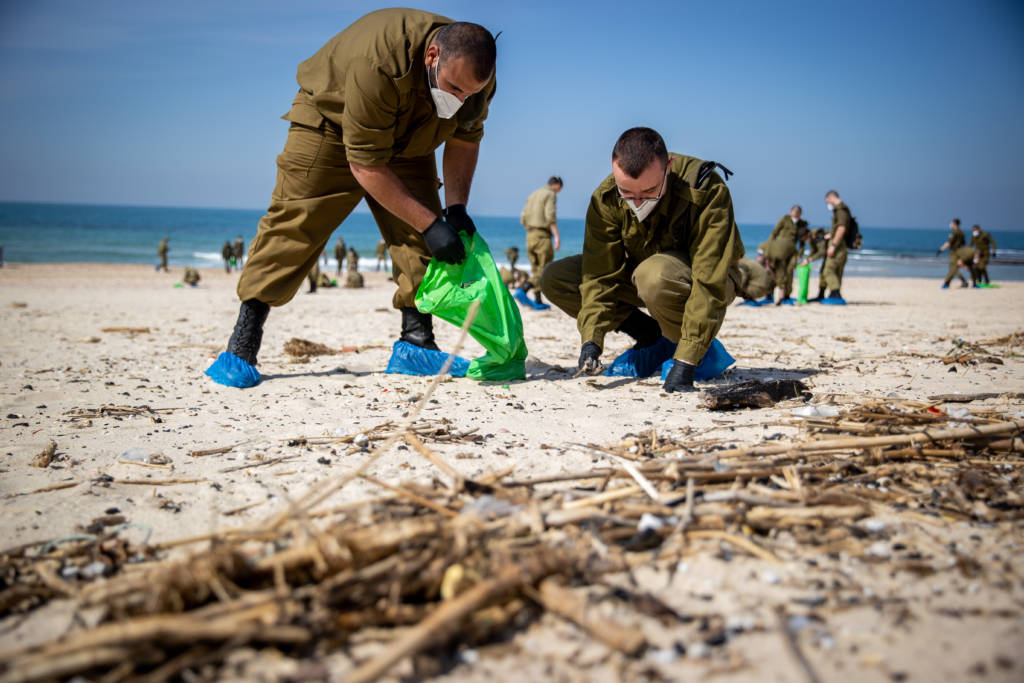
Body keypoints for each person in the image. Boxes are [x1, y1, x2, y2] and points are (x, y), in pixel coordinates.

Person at [205, 9, 498, 387]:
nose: (460, 100)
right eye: (455, 89)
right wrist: (431, 223)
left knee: (423, 237)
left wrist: (455, 209)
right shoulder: (378, 61)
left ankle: (416, 344)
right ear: (432, 56)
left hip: (411, 133)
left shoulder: (474, 77)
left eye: (470, 93)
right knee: (295, 224)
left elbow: (465, 138)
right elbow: (366, 165)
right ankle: (242, 344)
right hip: (331, 122)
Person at [540, 127, 744, 393]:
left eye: (648, 191)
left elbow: (710, 279)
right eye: (627, 192)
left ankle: (699, 348)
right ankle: (652, 336)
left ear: (668, 167)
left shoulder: (704, 188)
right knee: (557, 278)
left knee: (653, 275)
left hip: (703, 281)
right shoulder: (606, 197)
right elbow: (599, 275)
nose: (637, 202)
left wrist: (687, 359)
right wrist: (592, 339)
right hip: (644, 279)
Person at [515, 175, 563, 309]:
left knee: (536, 268)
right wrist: (557, 236)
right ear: (557, 186)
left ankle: (537, 301)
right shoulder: (550, 194)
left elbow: (523, 217)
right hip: (542, 235)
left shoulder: (533, 194)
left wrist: (531, 229)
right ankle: (523, 290)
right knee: (544, 269)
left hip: (530, 235)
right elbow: (550, 216)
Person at [815, 190, 852, 304]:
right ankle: (832, 294)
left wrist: (833, 245)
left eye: (827, 201)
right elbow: (838, 228)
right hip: (839, 244)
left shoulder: (841, 210)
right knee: (835, 270)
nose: (828, 204)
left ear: (831, 198)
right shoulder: (841, 210)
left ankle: (835, 293)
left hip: (838, 245)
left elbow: (841, 228)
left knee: (829, 270)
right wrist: (830, 235)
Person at [766, 205, 806, 304]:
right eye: (794, 213)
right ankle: (769, 294)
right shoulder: (784, 219)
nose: (795, 215)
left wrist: (800, 253)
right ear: (791, 212)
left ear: (800, 214)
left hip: (792, 252)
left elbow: (802, 240)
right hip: (779, 250)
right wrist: (769, 248)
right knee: (775, 271)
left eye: (798, 214)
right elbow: (774, 233)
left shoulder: (802, 224)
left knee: (789, 272)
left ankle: (786, 296)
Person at [937, 218, 968, 288]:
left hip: (954, 252)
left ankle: (947, 283)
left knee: (953, 268)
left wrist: (941, 249)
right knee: (955, 268)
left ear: (954, 223)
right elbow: (964, 244)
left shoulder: (954, 232)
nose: (950, 224)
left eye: (951, 223)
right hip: (961, 251)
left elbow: (949, 242)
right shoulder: (962, 232)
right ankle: (963, 281)